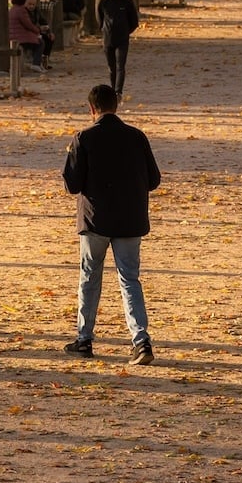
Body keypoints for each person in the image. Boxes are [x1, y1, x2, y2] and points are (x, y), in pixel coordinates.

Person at [61, 84, 161, 366]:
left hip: (96, 220)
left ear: (91, 109)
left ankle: (84, 339)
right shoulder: (137, 137)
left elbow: (72, 184)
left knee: (90, 277)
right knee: (130, 279)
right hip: (130, 221)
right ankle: (141, 340)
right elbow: (153, 180)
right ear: (116, 106)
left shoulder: (84, 138)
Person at [97, 0, 140, 96]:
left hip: (122, 39)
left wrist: (126, 31)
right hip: (108, 39)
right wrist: (104, 29)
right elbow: (99, 18)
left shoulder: (126, 2)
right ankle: (112, 89)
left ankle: (118, 92)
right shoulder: (104, 2)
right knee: (111, 68)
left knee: (120, 65)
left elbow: (134, 21)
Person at [9, 0, 46, 71]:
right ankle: (36, 64)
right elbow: (28, 25)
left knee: (37, 41)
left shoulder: (12, 9)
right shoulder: (21, 10)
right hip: (21, 37)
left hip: (14, 35)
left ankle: (37, 62)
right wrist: (38, 30)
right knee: (40, 42)